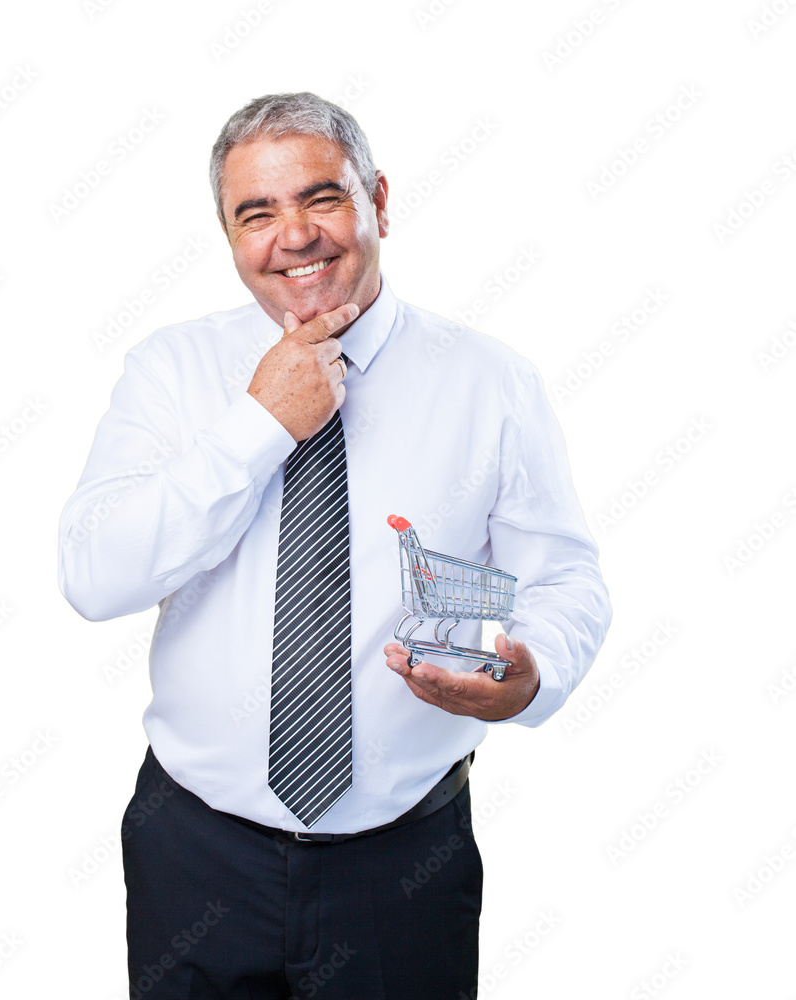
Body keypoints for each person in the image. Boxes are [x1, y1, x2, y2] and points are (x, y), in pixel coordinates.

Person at [58, 92, 611, 999]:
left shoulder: (491, 383)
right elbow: (94, 575)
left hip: (405, 864)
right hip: (195, 852)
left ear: (378, 201)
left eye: (322, 198)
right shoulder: (170, 372)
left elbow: (564, 577)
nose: (295, 236)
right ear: (230, 236)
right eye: (257, 213)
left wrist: (533, 672)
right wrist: (259, 424)